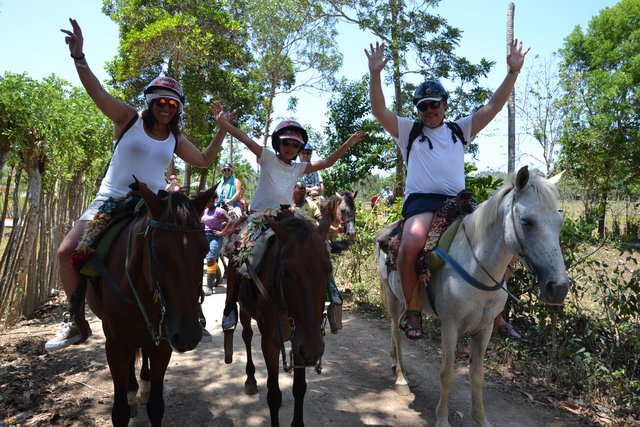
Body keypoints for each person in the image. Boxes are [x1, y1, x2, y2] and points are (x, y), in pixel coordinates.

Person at [45, 18, 230, 352]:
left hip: (155, 202)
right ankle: (74, 320)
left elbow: (203, 160)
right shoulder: (127, 119)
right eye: (161, 101)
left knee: (185, 248)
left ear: (177, 110)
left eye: (172, 105)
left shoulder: (174, 136)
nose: (165, 108)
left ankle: (193, 313)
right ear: (151, 102)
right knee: (66, 251)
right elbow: (97, 91)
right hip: (112, 199)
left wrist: (221, 129)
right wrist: (79, 57)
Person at [365, 39, 529, 340]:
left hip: (460, 202)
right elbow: (379, 110)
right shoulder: (409, 131)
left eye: (434, 105)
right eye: (423, 106)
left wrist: (512, 73)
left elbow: (492, 107)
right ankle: (413, 310)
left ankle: (496, 314)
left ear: (445, 105)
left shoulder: (458, 130)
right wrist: (375, 75)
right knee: (411, 241)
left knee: (505, 242)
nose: (429, 110)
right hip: (422, 204)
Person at [210, 100, 366, 331]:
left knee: (319, 244)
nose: (290, 148)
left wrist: (349, 143)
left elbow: (329, 161)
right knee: (237, 249)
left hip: (287, 215)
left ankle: (332, 297)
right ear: (278, 143)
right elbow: (244, 137)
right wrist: (223, 123)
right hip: (259, 215)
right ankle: (230, 306)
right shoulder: (266, 157)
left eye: (295, 145)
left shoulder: (299, 168)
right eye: (286, 143)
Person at [201, 197, 232, 296]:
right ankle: (218, 276)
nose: (206, 202)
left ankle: (209, 287)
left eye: (209, 200)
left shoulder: (219, 211)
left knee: (210, 259)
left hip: (216, 237)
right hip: (206, 236)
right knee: (210, 259)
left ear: (214, 200)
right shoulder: (205, 210)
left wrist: (222, 232)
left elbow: (230, 221)